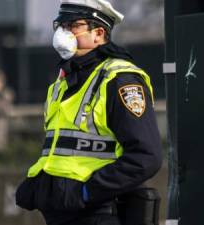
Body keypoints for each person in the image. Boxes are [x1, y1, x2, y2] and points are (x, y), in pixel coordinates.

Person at [16, 1, 163, 225]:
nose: (63, 32)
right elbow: (62, 149)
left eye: (73, 25)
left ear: (99, 33)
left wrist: (86, 192)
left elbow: (146, 157)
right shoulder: (62, 81)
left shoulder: (120, 80)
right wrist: (39, 184)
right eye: (60, 25)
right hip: (61, 213)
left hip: (99, 213)